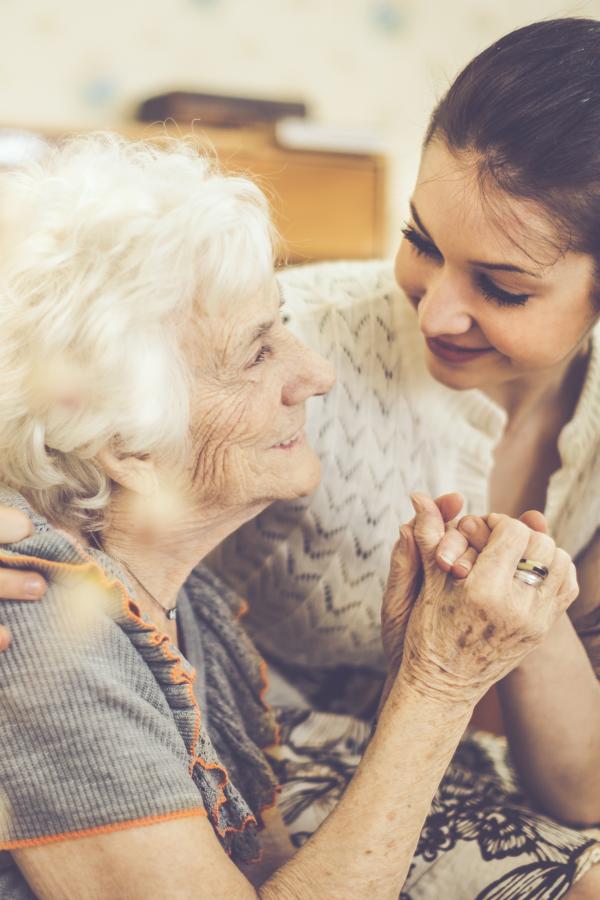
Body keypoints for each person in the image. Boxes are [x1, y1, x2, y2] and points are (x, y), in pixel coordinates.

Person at [2, 16, 600, 898]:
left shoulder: (193, 606)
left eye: (503, 286)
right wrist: (437, 683)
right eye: (421, 241)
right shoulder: (43, 631)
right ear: (126, 438)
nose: (312, 371)